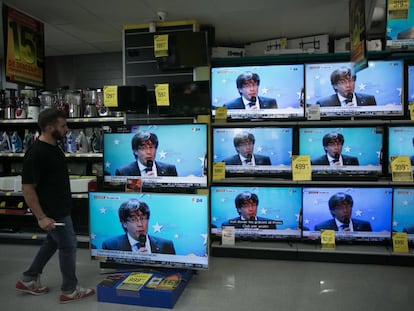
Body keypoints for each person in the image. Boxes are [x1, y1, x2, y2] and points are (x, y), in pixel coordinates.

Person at [15, 108, 95, 303]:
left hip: (61, 207)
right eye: (63, 126)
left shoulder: (54, 146)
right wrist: (41, 217)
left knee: (52, 242)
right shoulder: (37, 153)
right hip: (53, 212)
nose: (66, 129)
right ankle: (69, 290)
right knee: (68, 245)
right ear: (50, 128)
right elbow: (27, 189)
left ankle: (29, 278)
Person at [102, 198, 176, 254]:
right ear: (124, 223)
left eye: (143, 218)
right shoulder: (110, 246)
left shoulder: (166, 245)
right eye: (133, 219)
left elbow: (173, 272)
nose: (140, 224)